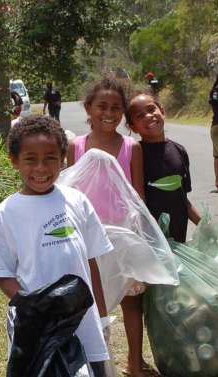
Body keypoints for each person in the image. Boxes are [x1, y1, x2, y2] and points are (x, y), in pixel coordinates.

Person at [0, 115, 111, 377]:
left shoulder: (77, 201)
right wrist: (36, 306)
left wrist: (102, 316)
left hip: (83, 321)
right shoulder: (6, 212)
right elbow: (2, 272)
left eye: (50, 158)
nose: (40, 168)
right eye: (30, 159)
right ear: (14, 160)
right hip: (37, 328)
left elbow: (90, 263)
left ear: (63, 158)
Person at [67, 76, 155, 377]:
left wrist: (141, 236)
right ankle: (98, 362)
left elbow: (138, 196)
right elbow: (67, 190)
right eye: (102, 106)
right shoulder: (76, 146)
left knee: (132, 300)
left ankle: (134, 361)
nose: (109, 113)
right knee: (91, 301)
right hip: (88, 238)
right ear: (88, 108)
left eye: (116, 108)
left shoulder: (132, 147)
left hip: (123, 236)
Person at [126, 93, 201, 242]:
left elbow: (182, 199)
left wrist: (203, 224)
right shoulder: (134, 154)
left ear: (162, 111)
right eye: (140, 116)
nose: (148, 116)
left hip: (178, 240)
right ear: (132, 127)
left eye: (151, 109)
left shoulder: (179, 151)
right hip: (151, 243)